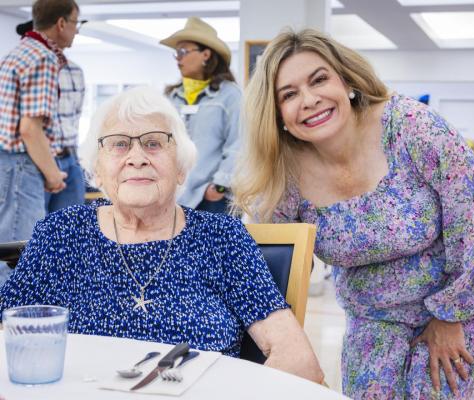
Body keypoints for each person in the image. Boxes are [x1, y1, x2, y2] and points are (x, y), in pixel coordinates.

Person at [232, 29, 474, 399]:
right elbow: (273, 270)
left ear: (347, 81)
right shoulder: (284, 176)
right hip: (372, 327)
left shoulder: (412, 127)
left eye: (319, 79)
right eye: (289, 95)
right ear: (277, 115)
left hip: (460, 312)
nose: (309, 100)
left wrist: (452, 315)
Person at [0, 87, 324, 384]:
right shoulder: (61, 234)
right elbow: (7, 332)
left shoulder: (221, 237)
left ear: (182, 167)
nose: (137, 157)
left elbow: (297, 359)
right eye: (119, 144)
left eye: (154, 143)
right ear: (96, 169)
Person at [0, 0, 82, 286]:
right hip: (21, 163)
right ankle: (12, 324)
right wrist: (52, 174)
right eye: (75, 23)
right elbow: (30, 129)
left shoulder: (20, 51)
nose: (76, 31)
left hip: (11, 163)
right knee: (20, 252)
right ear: (61, 23)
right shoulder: (42, 57)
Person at [160, 17, 241, 214]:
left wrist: (220, 186)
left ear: (206, 54)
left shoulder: (230, 95)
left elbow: (239, 145)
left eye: (183, 52)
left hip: (212, 199)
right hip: (174, 198)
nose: (178, 58)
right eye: (176, 53)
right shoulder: (171, 98)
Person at [16, 20, 87, 214]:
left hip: (70, 159)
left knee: (71, 228)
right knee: (31, 230)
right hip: (34, 160)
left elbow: (75, 117)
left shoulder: (75, 72)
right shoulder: (22, 69)